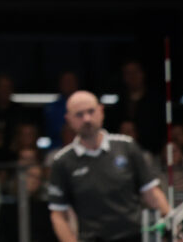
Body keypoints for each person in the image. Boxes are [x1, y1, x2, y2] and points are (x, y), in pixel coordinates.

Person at [48, 90, 170, 242]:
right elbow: (58, 215)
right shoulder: (62, 162)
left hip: (135, 236)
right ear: (68, 119)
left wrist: (172, 224)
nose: (87, 119)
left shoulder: (127, 146)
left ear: (101, 111)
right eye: (79, 114)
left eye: (91, 111)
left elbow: (151, 192)